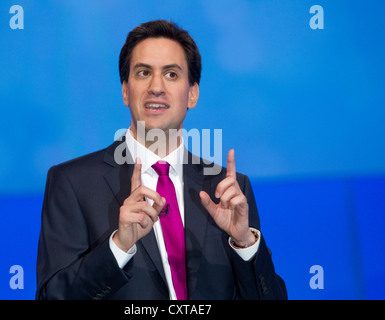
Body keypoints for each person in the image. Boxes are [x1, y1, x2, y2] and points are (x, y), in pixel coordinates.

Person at [36, 20, 287, 300]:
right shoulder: (72, 182)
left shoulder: (229, 189)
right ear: (125, 91)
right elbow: (52, 297)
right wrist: (119, 247)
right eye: (143, 73)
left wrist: (244, 243)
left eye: (171, 74)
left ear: (192, 94)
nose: (156, 87)